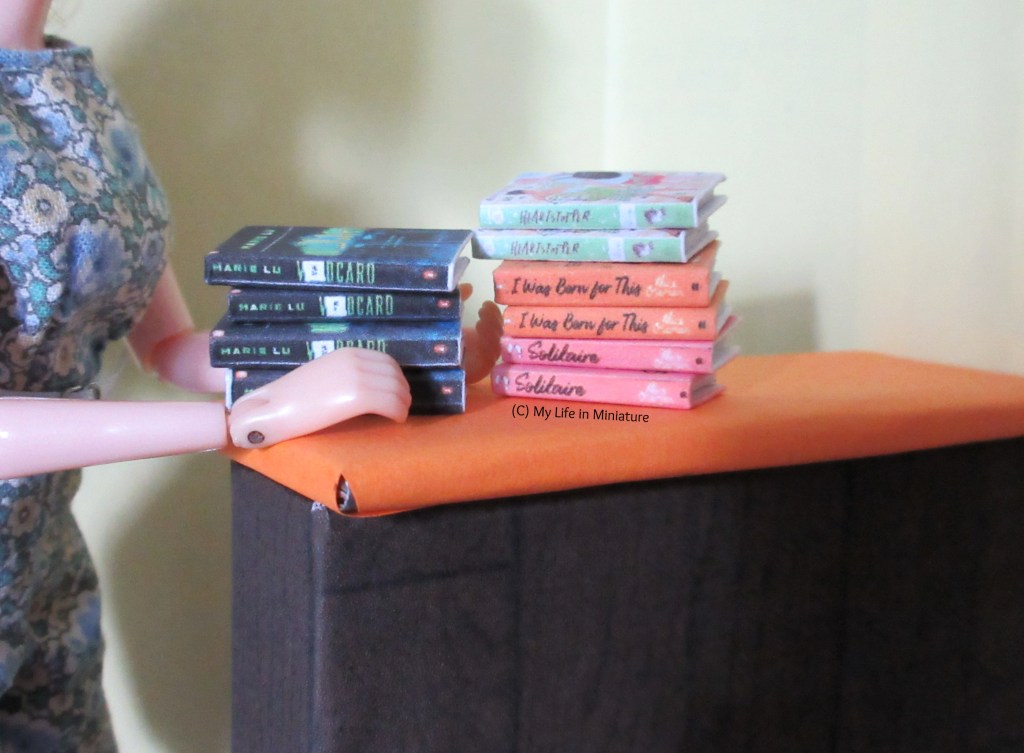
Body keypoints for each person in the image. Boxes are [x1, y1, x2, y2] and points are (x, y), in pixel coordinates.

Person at [0, 2, 501, 748]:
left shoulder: (75, 85)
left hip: (44, 569)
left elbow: (173, 346)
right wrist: (242, 422)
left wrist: (413, 350)